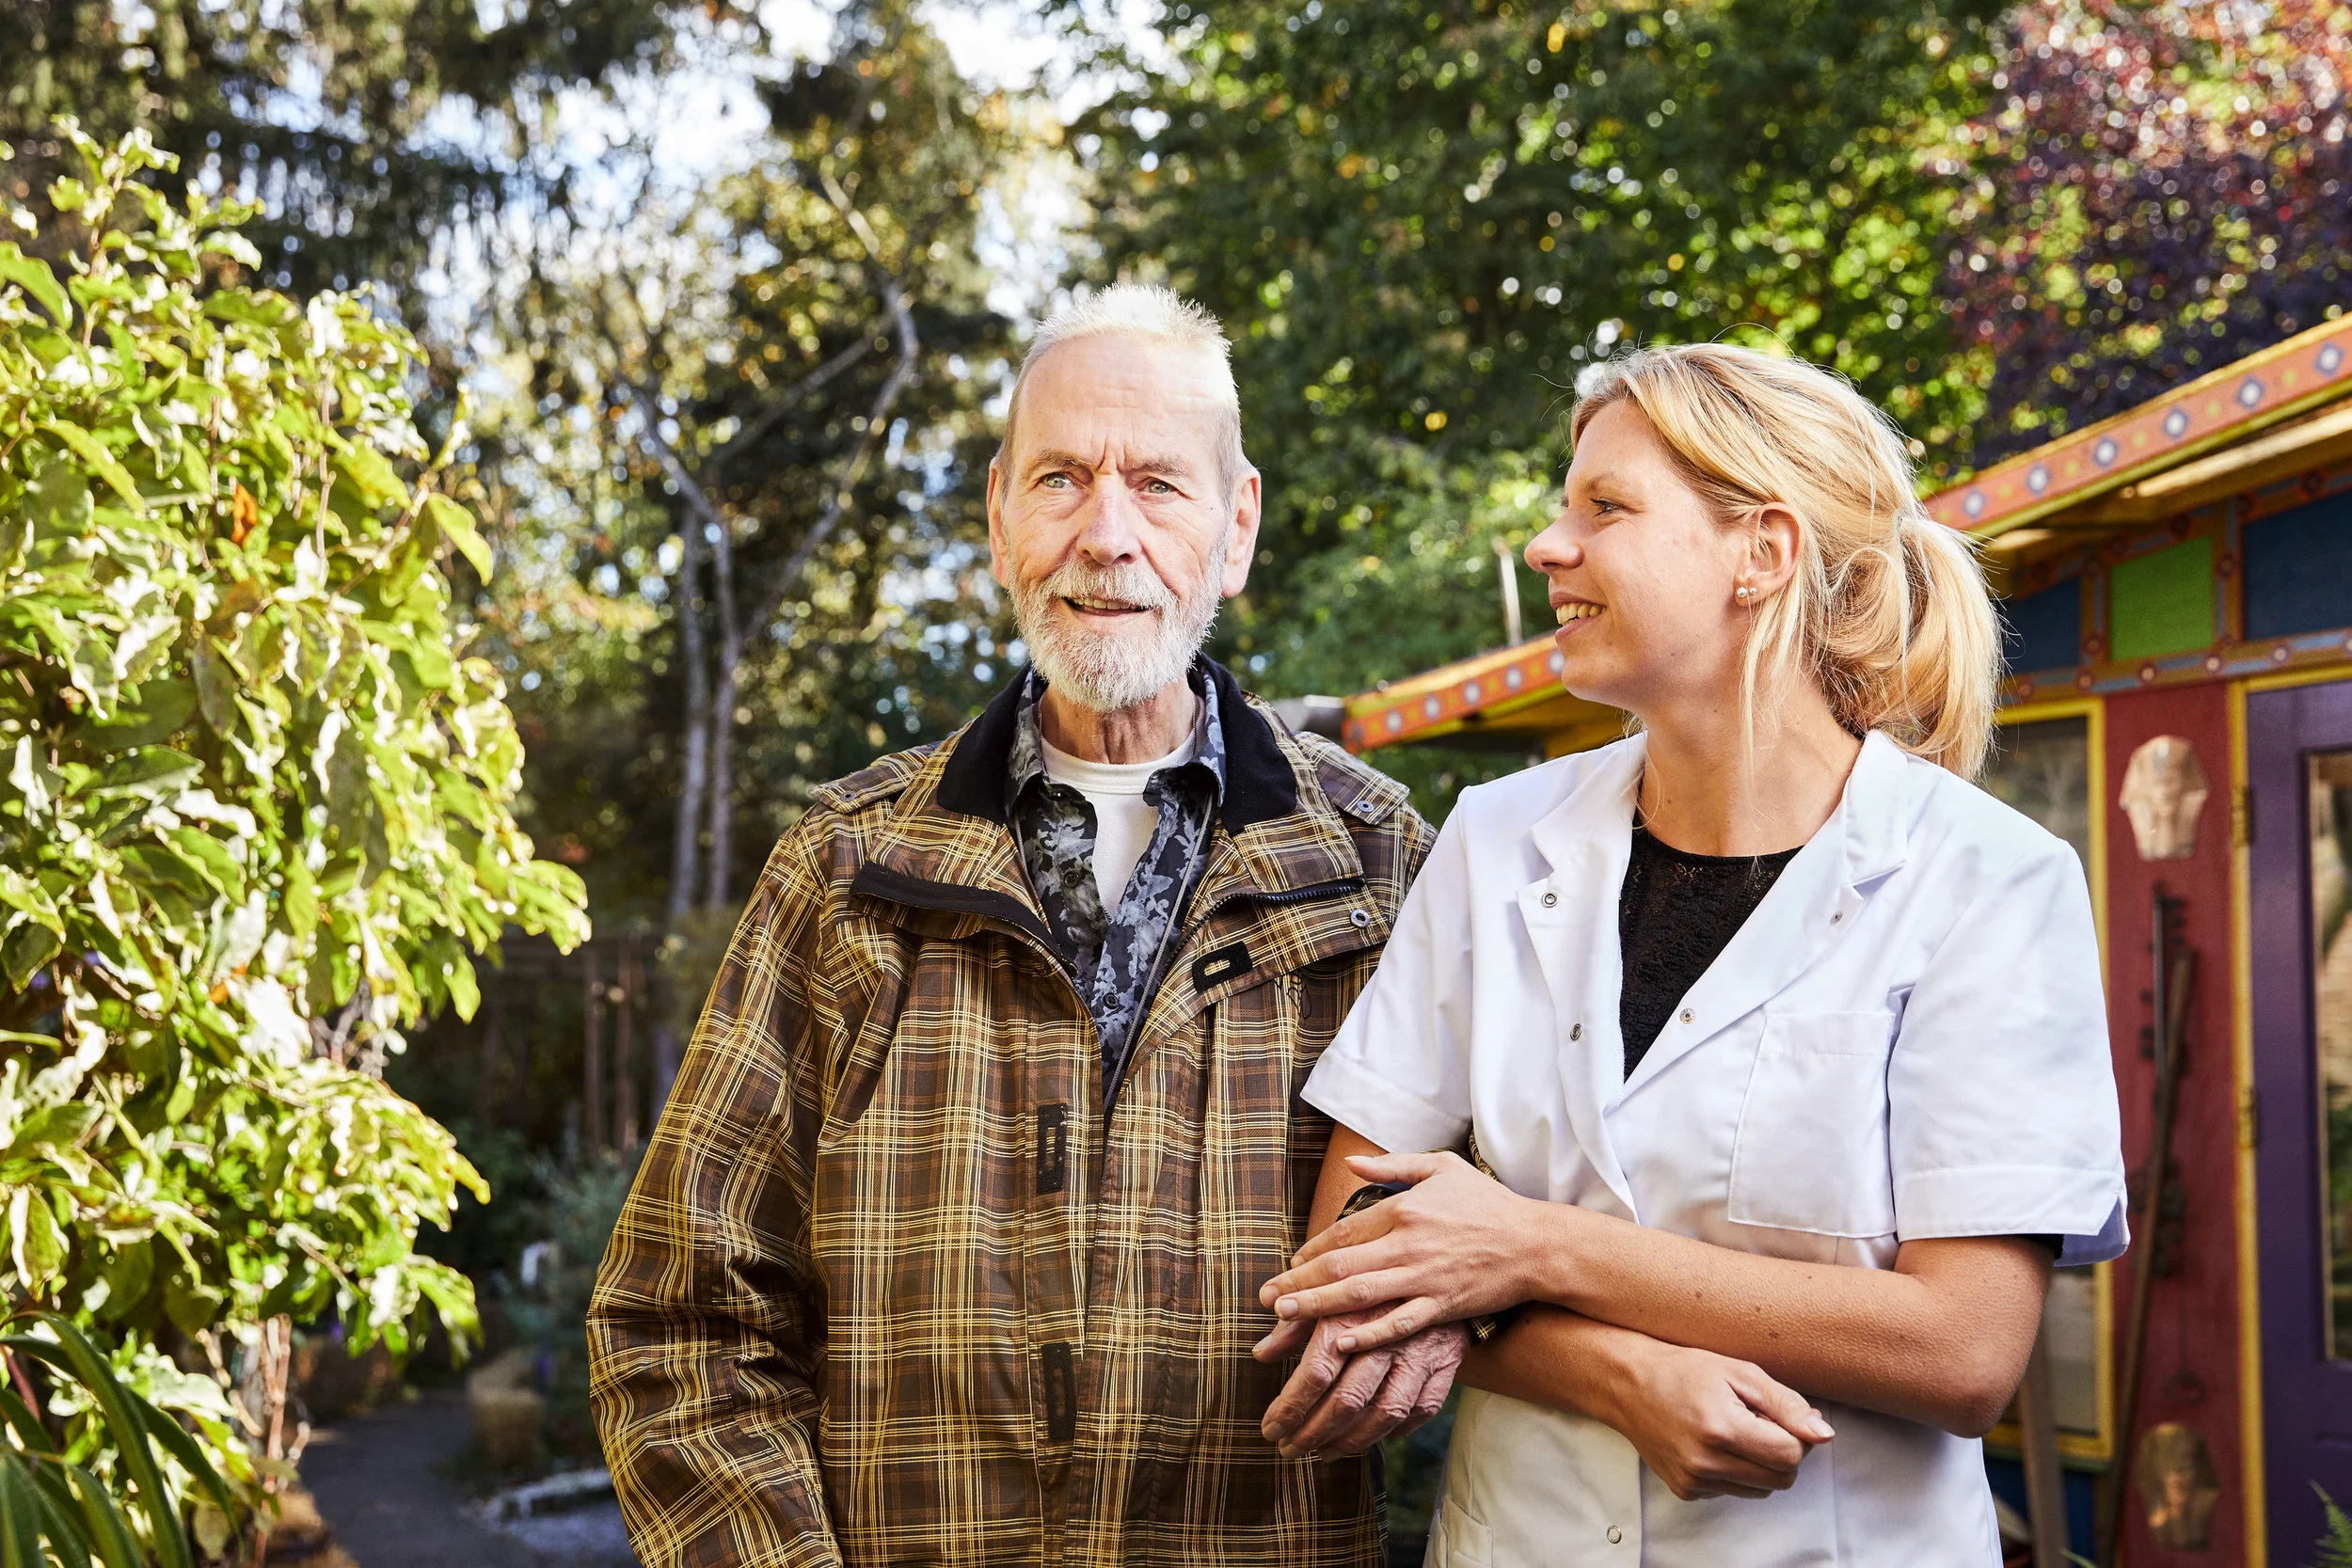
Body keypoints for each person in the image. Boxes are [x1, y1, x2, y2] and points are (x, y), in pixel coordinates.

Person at [586, 284, 1454, 1568]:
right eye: (1061, 479)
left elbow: (1515, 1227)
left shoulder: (1381, 868)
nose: (1107, 536)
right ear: (1000, 519)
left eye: (1158, 484)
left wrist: (1447, 1296)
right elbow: (680, 1319)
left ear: (1238, 526)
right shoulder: (849, 868)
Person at [1256, 343, 2127, 1565]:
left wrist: (1532, 1247)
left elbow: (1961, 1349)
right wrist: (1619, 1375)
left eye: (1604, 507)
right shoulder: (1500, 840)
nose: (1549, 545)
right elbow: (1359, 1241)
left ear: (1761, 552)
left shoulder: (1988, 881)